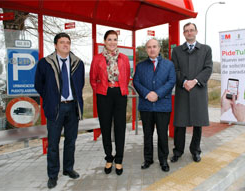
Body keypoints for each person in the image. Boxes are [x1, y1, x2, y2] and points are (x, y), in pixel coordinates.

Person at [34, 32, 85, 189]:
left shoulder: (78, 63)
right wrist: (50, 98)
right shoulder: (45, 63)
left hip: (72, 106)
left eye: (68, 42)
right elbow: (39, 84)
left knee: (71, 141)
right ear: (55, 45)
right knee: (53, 143)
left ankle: (68, 169)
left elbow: (80, 84)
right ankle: (53, 175)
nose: (65, 45)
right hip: (55, 108)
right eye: (62, 42)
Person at [170, 22, 213, 163]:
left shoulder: (206, 49)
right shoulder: (176, 51)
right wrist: (184, 82)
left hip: (198, 90)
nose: (189, 32)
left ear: (196, 31)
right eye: (186, 31)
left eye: (191, 30)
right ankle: (178, 151)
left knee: (197, 123)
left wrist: (194, 81)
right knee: (180, 124)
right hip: (183, 91)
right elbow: (174, 70)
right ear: (183, 33)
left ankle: (195, 151)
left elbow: (208, 68)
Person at [90, 30, 130, 176]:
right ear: (104, 41)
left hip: (120, 94)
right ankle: (109, 158)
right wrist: (100, 90)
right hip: (104, 95)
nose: (112, 42)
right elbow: (93, 79)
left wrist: (121, 89)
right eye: (109, 39)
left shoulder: (124, 58)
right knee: (105, 127)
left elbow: (127, 76)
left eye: (115, 39)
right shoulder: (97, 59)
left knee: (120, 127)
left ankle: (119, 159)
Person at [133, 39, 176, 172]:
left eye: (154, 46)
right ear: (146, 49)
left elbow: (171, 81)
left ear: (159, 48)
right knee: (147, 134)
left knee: (163, 134)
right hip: (146, 106)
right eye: (149, 47)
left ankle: (163, 160)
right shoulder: (140, 66)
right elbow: (136, 82)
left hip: (163, 105)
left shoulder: (169, 65)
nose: (152, 49)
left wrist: (157, 94)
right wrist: (147, 94)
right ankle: (148, 159)